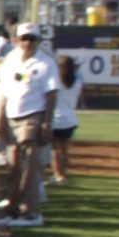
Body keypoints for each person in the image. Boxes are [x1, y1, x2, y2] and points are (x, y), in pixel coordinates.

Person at [0, 24, 55, 228]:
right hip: (12, 116)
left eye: (32, 39)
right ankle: (13, 208)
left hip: (32, 116)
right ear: (17, 39)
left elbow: (51, 94)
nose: (28, 42)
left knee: (29, 166)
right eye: (25, 38)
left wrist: (46, 123)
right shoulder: (10, 60)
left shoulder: (46, 63)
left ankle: (30, 212)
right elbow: (4, 92)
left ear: (38, 41)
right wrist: (0, 118)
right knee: (13, 166)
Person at [49, 53, 83, 181]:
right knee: (64, 148)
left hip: (56, 120)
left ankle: (58, 174)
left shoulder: (55, 82)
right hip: (70, 120)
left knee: (55, 150)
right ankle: (64, 172)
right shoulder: (77, 83)